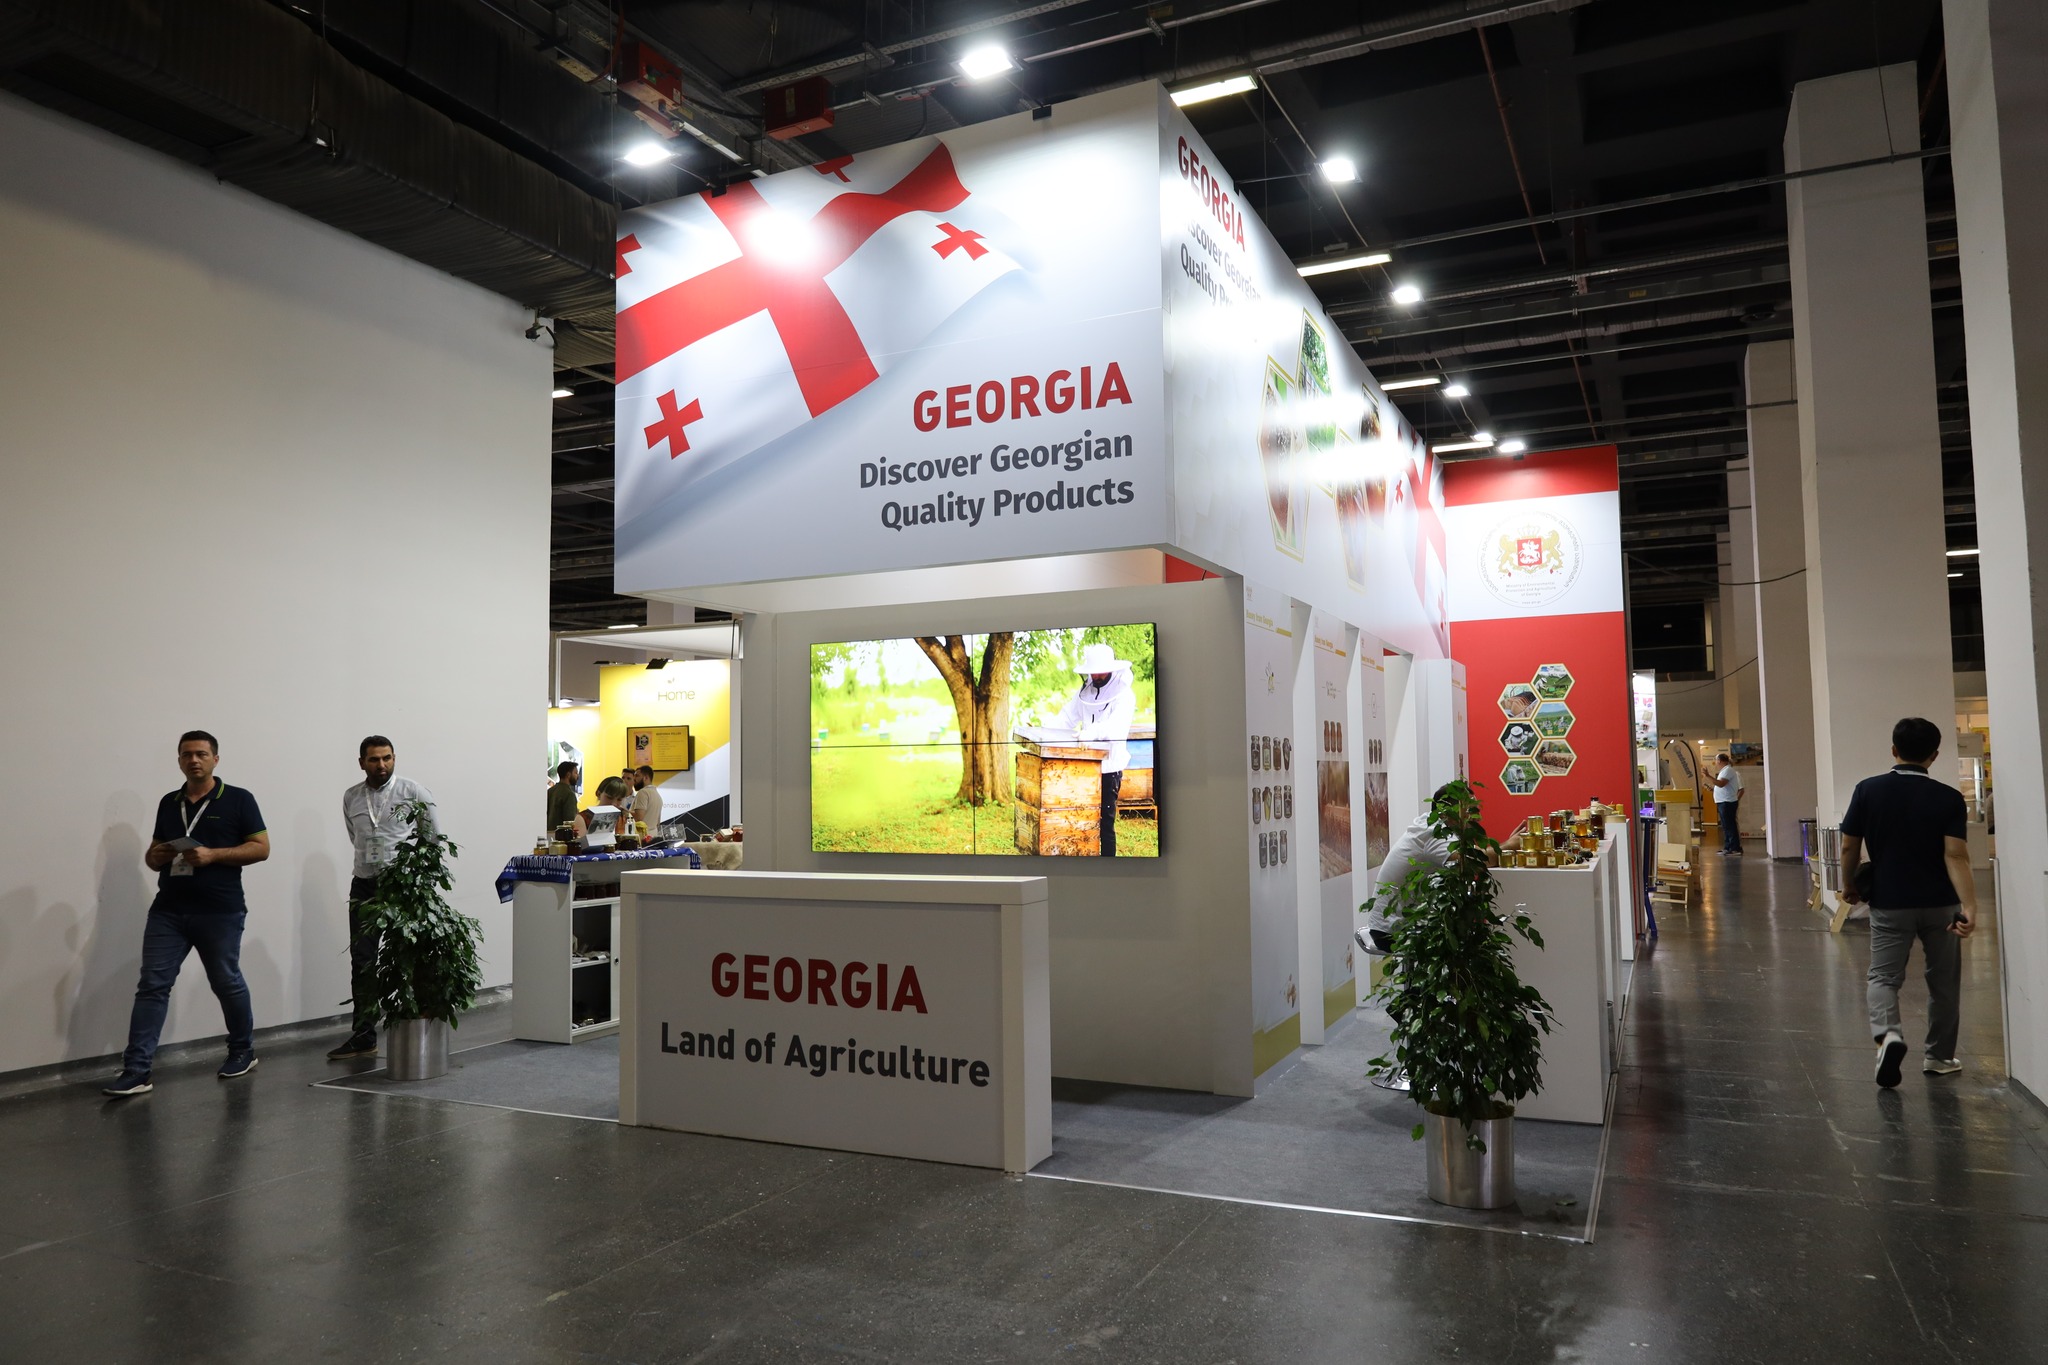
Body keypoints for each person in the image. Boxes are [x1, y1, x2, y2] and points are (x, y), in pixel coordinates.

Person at [103, 731, 270, 1097]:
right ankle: (137, 1070)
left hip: (220, 910)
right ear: (179, 760)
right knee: (152, 985)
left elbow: (261, 849)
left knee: (225, 981)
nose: (194, 760)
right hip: (169, 910)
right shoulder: (169, 802)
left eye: (201, 754)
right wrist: (156, 856)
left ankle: (242, 1051)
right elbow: (152, 856)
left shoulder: (239, 799)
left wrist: (214, 855)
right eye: (186, 754)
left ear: (215, 759)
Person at [1839, 717, 1976, 1088]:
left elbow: (1850, 845)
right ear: (1934, 755)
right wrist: (1970, 905)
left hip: (1890, 900)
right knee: (1944, 981)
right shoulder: (1949, 798)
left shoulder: (1867, 790)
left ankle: (1888, 1035)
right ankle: (1939, 1057)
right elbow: (1956, 855)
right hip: (1942, 904)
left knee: (1883, 976)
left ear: (1894, 750)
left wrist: (1849, 884)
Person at [328, 736, 438, 1060]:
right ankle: (364, 1036)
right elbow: (356, 837)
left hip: (402, 886)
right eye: (374, 759)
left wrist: (416, 880)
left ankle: (418, 1027)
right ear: (361, 762)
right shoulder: (351, 796)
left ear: (394, 758)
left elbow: (431, 839)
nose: (381, 765)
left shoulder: (413, 791)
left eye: (387, 758)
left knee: (410, 957)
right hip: (364, 885)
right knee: (362, 961)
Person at [1055, 642, 1138, 856]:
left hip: (1109, 767)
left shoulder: (1125, 695)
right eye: (1093, 672)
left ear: (1111, 668)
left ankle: (1109, 866)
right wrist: (1046, 730)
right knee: (1081, 819)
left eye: (1100, 671)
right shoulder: (1086, 690)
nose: (1096, 676)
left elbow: (1116, 727)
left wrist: (1091, 732)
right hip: (1084, 767)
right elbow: (1067, 717)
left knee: (1105, 824)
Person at [1710, 752, 1742, 854]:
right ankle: (1728, 847)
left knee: (1730, 825)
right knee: (1726, 826)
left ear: (1719, 761)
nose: (1716, 763)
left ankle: (1735, 848)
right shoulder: (1724, 771)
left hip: (1727, 802)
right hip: (1724, 801)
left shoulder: (1728, 770)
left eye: (1716, 760)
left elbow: (1721, 784)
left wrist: (1708, 776)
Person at [546, 760, 580, 832]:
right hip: (561, 835)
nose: (578, 776)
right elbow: (570, 821)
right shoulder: (569, 794)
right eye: (575, 773)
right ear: (568, 775)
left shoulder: (550, 791)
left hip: (548, 833)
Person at [629, 764, 663, 834]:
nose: (634, 779)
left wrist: (624, 811)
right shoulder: (657, 795)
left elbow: (639, 818)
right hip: (653, 835)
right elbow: (658, 822)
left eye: (637, 776)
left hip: (642, 837)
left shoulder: (643, 792)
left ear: (646, 778)